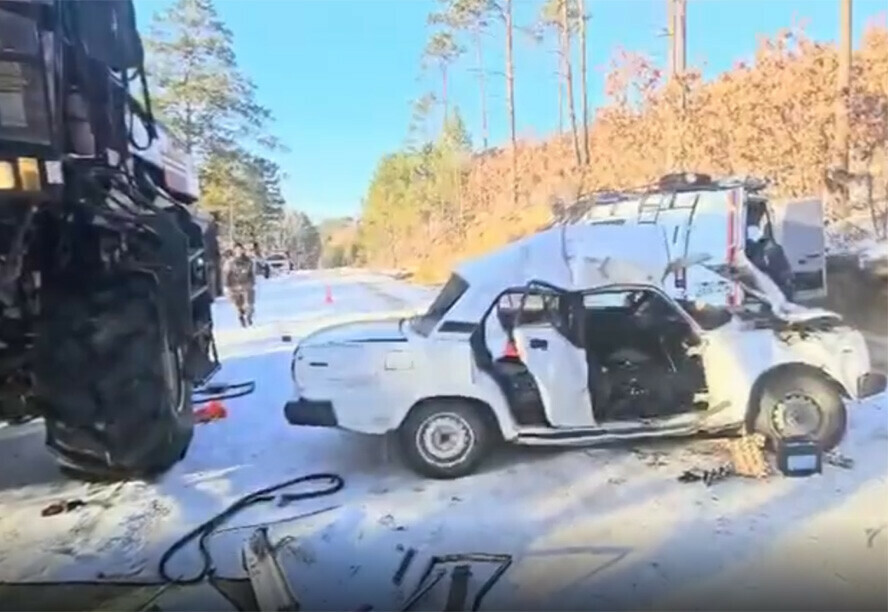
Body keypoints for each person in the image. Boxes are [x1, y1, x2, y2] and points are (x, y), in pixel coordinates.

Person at [223, 242, 256, 327]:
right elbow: (226, 274)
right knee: (238, 305)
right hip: (234, 286)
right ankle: (241, 316)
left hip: (246, 285)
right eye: (237, 250)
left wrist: (252, 282)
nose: (239, 251)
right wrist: (226, 286)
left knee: (249, 304)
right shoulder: (230, 262)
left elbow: (251, 273)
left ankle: (249, 317)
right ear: (234, 251)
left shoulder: (248, 261)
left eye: (240, 250)